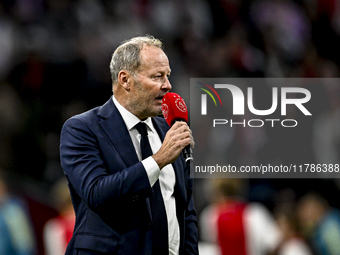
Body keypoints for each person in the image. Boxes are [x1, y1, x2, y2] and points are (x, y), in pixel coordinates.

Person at [60, 35, 198, 255]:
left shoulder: (169, 130)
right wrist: (158, 160)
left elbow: (185, 210)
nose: (168, 85)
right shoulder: (82, 129)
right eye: (157, 76)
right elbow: (97, 193)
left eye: (168, 76)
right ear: (125, 80)